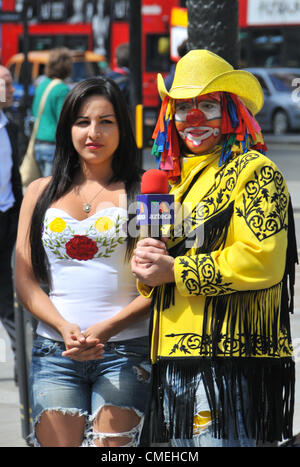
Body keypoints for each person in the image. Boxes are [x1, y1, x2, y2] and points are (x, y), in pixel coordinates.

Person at [131, 49, 298, 447]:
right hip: (173, 355)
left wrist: (175, 271)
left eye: (207, 106)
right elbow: (161, 265)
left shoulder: (256, 172)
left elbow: (263, 261)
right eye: (183, 107)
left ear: (232, 113)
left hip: (227, 358)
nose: (192, 119)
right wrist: (146, 266)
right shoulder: (172, 182)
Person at [15, 77, 151, 447]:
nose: (94, 132)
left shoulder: (149, 192)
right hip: (55, 349)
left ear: (123, 128)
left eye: (106, 121)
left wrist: (107, 328)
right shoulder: (38, 192)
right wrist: (63, 327)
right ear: (67, 129)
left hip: (126, 351)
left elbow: (162, 283)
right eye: (82, 121)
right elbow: (25, 279)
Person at [0, 65, 23, 382]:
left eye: (8, 83)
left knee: (8, 290)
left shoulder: (12, 126)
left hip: (7, 216)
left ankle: (22, 363)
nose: (7, 88)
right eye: (1, 83)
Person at [31, 47, 72, 177]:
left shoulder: (42, 84)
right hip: (53, 146)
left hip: (38, 143)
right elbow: (64, 120)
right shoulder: (61, 89)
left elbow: (34, 110)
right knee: (52, 191)